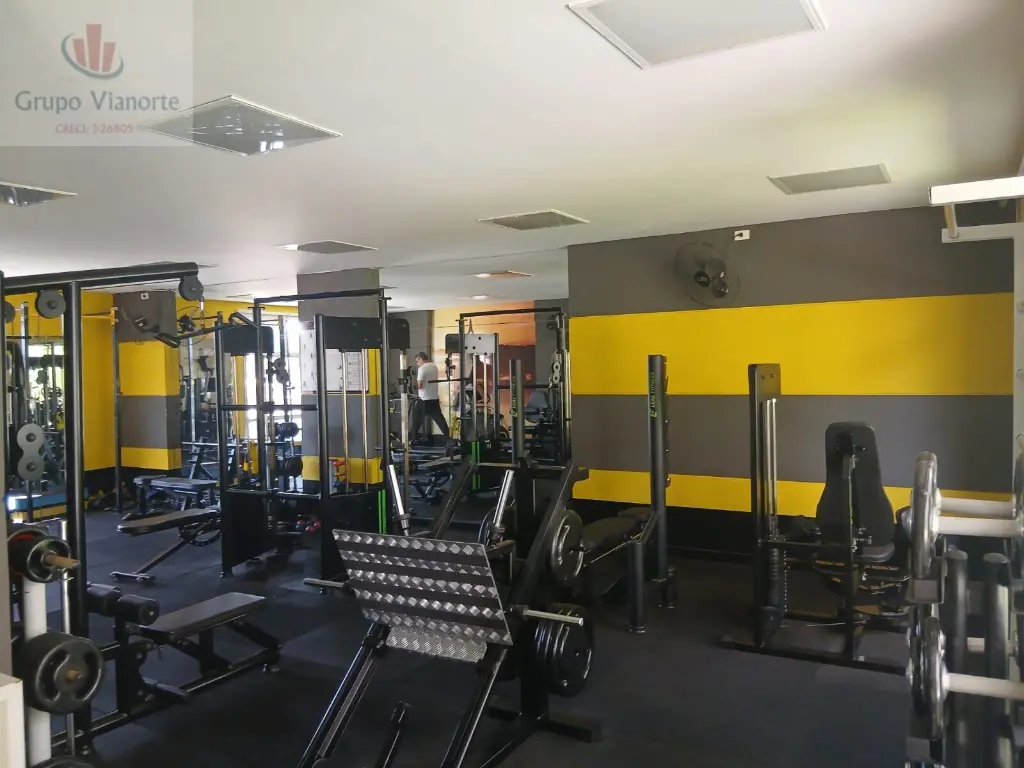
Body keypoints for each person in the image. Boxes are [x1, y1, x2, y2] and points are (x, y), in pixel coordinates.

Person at [414, 351, 450, 442]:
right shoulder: (434, 366)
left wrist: (414, 387)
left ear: (421, 359)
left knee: (416, 421)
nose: (417, 363)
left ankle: (411, 440)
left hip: (424, 400)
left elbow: (420, 385)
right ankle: (449, 440)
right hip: (434, 398)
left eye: (417, 361)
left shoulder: (422, 369)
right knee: (440, 420)